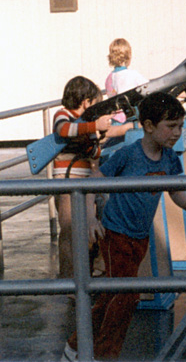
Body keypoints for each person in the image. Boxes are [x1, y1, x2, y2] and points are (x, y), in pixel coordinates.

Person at [62, 91, 186, 361]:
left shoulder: (169, 159)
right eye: (171, 126)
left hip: (139, 237)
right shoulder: (129, 155)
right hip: (115, 233)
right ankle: (106, 354)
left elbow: (175, 188)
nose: (177, 133)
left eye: (180, 126)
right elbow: (96, 177)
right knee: (126, 296)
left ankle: (75, 345)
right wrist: (92, 217)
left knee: (111, 296)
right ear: (149, 126)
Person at [53, 76, 134, 279]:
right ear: (86, 102)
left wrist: (102, 135)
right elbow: (64, 130)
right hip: (68, 181)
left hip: (87, 181)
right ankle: (69, 279)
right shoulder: (62, 115)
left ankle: (93, 272)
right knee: (70, 232)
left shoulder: (87, 124)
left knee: (95, 227)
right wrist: (94, 126)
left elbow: (93, 151)